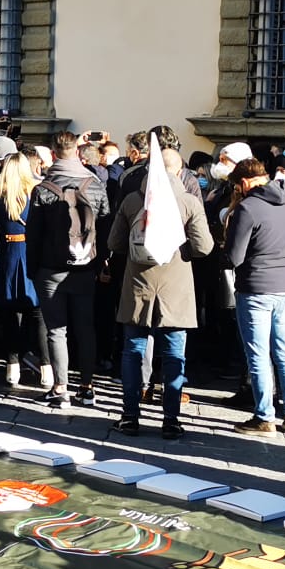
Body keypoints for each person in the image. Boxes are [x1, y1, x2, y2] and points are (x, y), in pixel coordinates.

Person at [106, 147, 214, 439]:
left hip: (138, 286)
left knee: (133, 353)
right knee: (174, 355)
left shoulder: (132, 199)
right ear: (179, 172)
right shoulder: (189, 202)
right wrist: (182, 252)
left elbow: (114, 243)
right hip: (176, 288)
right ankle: (171, 421)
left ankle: (129, 417)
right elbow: (205, 247)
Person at [224, 157, 285, 435]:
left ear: (244, 182)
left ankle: (264, 416)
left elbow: (234, 256)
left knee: (258, 354)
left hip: (256, 287)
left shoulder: (248, 208)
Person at [31, 132, 108, 409]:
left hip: (50, 269)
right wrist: (100, 264)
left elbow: (34, 235)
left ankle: (60, 387)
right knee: (85, 328)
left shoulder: (43, 189)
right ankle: (87, 387)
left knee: (56, 330)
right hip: (85, 267)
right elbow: (105, 226)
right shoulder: (96, 185)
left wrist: (33, 270)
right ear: (77, 151)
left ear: (53, 154)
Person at [0, 151, 46, 391]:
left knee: (9, 314)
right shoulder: (34, 193)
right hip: (29, 251)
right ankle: (47, 370)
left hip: (6, 253)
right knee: (38, 314)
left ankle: (12, 367)